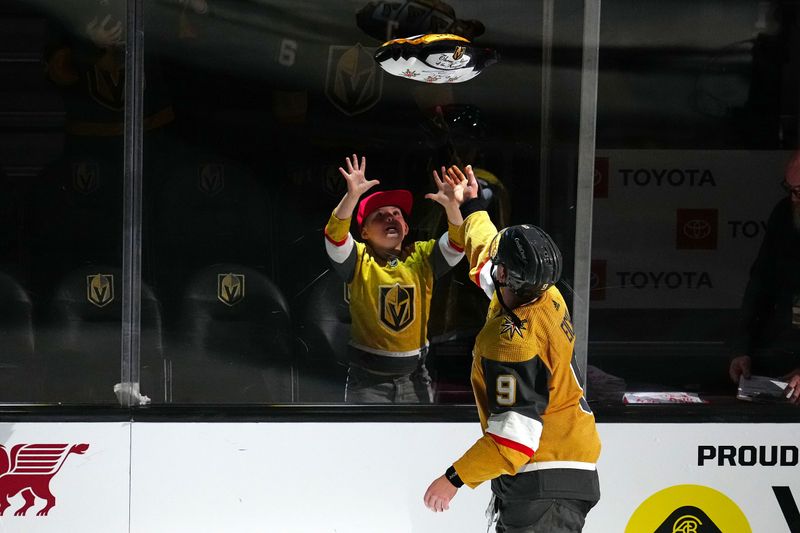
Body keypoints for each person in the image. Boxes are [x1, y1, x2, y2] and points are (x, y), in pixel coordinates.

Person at [422, 165, 601, 532]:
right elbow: (486, 248)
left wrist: (453, 479)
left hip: (544, 477)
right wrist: (470, 205)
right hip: (558, 469)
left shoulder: (511, 341)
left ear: (505, 276)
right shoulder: (546, 293)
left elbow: (513, 440)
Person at [323, 154, 465, 403]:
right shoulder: (359, 260)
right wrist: (352, 196)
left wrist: (452, 207)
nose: (390, 217)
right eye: (379, 215)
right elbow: (334, 238)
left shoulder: (421, 256)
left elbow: (457, 245)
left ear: (407, 228)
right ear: (364, 232)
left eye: (396, 214)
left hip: (415, 379)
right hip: (367, 383)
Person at [729, 150, 800, 404]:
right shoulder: (784, 216)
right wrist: (742, 349)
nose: (794, 199)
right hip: (779, 353)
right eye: (790, 189)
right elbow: (760, 284)